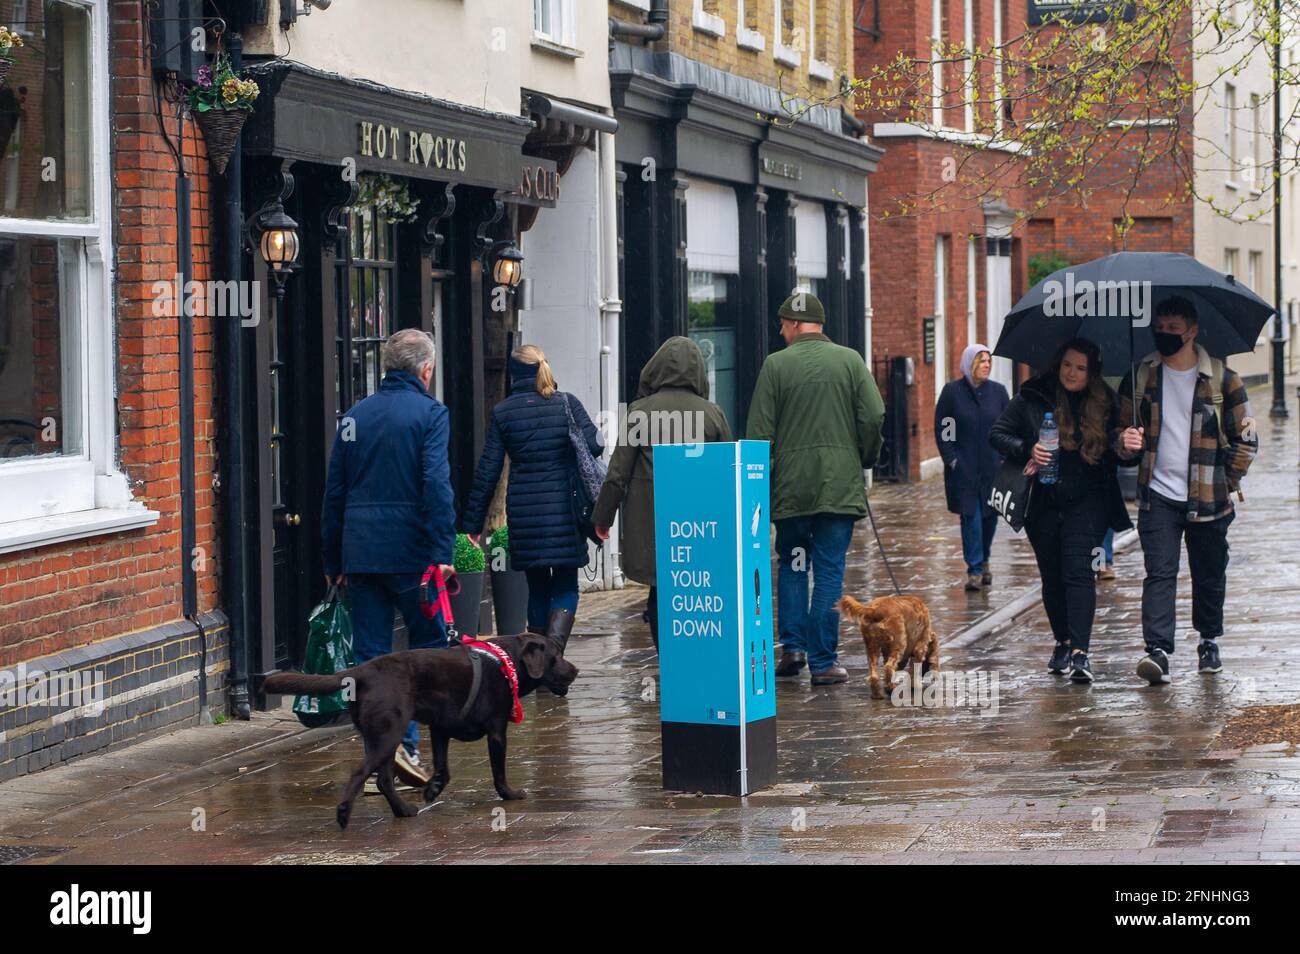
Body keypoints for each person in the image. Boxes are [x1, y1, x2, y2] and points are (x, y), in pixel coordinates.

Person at [321, 328, 455, 787]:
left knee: (372, 658)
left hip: (360, 554)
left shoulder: (354, 416)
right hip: (414, 555)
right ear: (426, 369)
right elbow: (436, 485)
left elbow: (334, 493)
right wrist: (443, 552)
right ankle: (412, 749)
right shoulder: (431, 414)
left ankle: (385, 751)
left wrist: (333, 559)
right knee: (426, 656)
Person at [1114, 296, 1257, 685]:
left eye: (1173, 330)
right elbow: (1119, 431)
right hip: (1157, 495)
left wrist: (1227, 482)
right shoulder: (1141, 376)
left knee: (1208, 573)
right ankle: (1157, 650)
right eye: (1159, 329)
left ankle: (1209, 641)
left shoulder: (1224, 380)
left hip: (1210, 498)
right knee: (1159, 572)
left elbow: (1247, 438)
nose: (1164, 336)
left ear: (1191, 331)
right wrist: (1124, 442)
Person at [747, 292, 885, 686]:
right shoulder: (850, 360)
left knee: (792, 564)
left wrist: (763, 483)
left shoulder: (775, 365)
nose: (780, 332)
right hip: (838, 488)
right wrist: (865, 456)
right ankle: (823, 662)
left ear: (792, 324)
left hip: (791, 491)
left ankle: (793, 649)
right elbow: (874, 415)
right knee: (828, 572)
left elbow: (759, 433)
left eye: (781, 325)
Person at [989, 337, 1134, 683]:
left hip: (1090, 500)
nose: (1072, 373)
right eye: (1068, 364)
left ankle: (1081, 652)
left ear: (1092, 372)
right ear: (1058, 364)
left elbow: (1118, 449)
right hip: (1044, 501)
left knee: (1078, 572)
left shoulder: (1106, 402)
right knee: (1052, 576)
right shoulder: (1034, 395)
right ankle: (1062, 641)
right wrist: (1028, 449)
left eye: (1081, 368)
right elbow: (997, 434)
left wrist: (1127, 444)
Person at [591, 337, 733, 650]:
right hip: (699, 523)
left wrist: (603, 518)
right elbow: (727, 473)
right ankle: (696, 653)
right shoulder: (712, 414)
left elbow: (617, 475)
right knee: (695, 587)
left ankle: (667, 654)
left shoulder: (640, 413)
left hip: (652, 521)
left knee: (661, 587)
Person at [462, 345, 603, 654]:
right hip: (565, 512)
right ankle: (553, 655)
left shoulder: (503, 412)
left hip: (525, 515)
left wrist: (473, 524)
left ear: (513, 376)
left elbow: (489, 469)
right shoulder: (566, 403)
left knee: (537, 587)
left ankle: (538, 661)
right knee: (566, 584)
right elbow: (595, 444)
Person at [935, 344, 1010, 592]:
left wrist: (1004, 457)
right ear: (970, 365)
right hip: (964, 471)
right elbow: (945, 429)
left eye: (989, 361)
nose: (987, 365)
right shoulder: (952, 393)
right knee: (971, 519)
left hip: (992, 469)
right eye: (981, 361)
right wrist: (952, 459)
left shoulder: (999, 393)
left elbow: (1008, 427)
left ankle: (985, 558)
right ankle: (975, 569)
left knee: (989, 520)